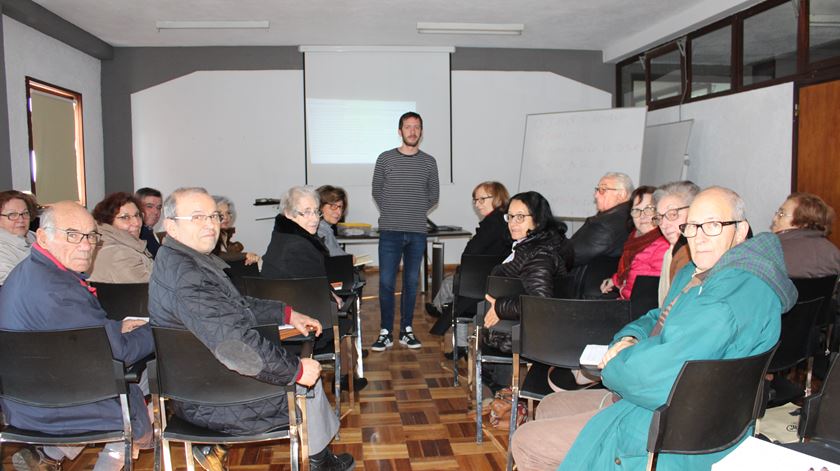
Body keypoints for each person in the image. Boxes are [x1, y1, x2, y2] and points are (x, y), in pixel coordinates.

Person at [510, 186, 797, 471]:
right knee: (549, 406)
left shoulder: (726, 298)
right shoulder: (701, 272)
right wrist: (629, 337)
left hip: (676, 429)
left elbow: (654, 375)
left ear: (740, 229)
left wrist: (614, 359)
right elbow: (658, 316)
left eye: (712, 226)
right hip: (674, 404)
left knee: (525, 441)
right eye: (692, 227)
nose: (698, 238)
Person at [148, 187, 355, 471]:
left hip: (202, 386)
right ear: (171, 225)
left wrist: (286, 312)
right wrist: (295, 370)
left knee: (302, 368)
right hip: (220, 399)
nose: (210, 224)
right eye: (197, 217)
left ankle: (319, 457)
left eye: (213, 216)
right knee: (310, 378)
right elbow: (237, 349)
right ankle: (320, 462)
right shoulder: (188, 276)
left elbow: (235, 305)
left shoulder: (181, 260)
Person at [0, 201, 153, 471]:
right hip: (67, 404)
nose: (85, 245)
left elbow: (67, 332)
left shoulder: (24, 273)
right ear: (44, 237)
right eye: (72, 235)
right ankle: (116, 457)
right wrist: (155, 330)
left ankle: (50, 455)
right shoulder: (61, 289)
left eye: (91, 236)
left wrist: (117, 326)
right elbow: (121, 353)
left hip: (25, 402)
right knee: (148, 378)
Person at [481, 191, 575, 391]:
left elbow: (539, 301)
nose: (513, 222)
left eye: (520, 217)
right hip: (524, 322)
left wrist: (500, 307)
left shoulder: (540, 254)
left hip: (531, 330)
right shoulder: (529, 246)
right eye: (510, 216)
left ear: (538, 220)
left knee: (486, 324)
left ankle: (502, 392)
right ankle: (499, 391)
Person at [370, 111, 440, 352]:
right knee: (386, 283)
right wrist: (392, 210)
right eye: (408, 127)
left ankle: (406, 330)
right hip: (390, 231)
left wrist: (413, 210)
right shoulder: (385, 158)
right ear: (400, 131)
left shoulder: (429, 161)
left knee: (411, 283)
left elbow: (434, 195)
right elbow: (377, 190)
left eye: (417, 127)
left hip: (417, 232)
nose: (412, 131)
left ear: (421, 132)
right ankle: (385, 331)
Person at [600, 186, 669, 300]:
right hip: (626, 301)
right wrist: (614, 280)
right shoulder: (634, 238)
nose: (642, 216)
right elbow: (630, 269)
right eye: (636, 210)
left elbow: (655, 296)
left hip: (639, 310)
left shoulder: (662, 246)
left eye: (649, 209)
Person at [263, 186, 331, 279]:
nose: (315, 219)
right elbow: (319, 289)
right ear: (289, 213)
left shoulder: (281, 236)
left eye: (316, 211)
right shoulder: (298, 246)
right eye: (307, 212)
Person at [570, 172, 633, 268]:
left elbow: (571, 256)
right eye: (597, 190)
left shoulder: (605, 225)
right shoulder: (630, 216)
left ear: (621, 195)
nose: (596, 195)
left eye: (602, 190)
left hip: (588, 280)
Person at [88, 192, 154, 283]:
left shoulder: (102, 243)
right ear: (108, 221)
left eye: (137, 215)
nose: (137, 223)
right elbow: (152, 291)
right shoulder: (121, 255)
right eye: (125, 217)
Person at [652, 181, 700, 305]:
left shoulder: (690, 252)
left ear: (695, 210)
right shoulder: (672, 251)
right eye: (659, 217)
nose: (664, 224)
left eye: (673, 214)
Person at [771, 192, 840, 278]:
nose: (774, 219)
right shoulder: (833, 253)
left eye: (781, 214)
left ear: (803, 222)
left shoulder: (772, 251)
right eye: (777, 213)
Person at [0, 190, 37, 285]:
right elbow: (13, 286)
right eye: (12, 215)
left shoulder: (36, 237)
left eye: (25, 213)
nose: (21, 219)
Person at [213, 195, 260, 265]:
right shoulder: (206, 235)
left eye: (228, 213)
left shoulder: (223, 233)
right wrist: (245, 255)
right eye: (220, 213)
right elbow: (215, 255)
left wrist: (248, 258)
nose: (226, 217)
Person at [317, 185, 350, 257]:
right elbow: (336, 257)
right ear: (320, 206)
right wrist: (350, 259)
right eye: (333, 206)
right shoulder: (321, 231)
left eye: (340, 207)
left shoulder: (326, 228)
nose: (339, 212)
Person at [135, 187, 163, 257]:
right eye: (149, 206)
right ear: (136, 207)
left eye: (159, 208)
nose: (156, 212)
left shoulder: (149, 231)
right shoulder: (138, 235)